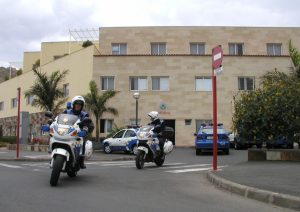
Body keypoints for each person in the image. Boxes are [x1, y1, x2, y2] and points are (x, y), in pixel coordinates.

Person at [64, 96, 90, 169]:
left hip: (78, 133)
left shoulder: (84, 114)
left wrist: (85, 129)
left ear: (82, 106)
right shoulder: (67, 112)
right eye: (77, 104)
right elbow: (60, 118)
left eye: (80, 104)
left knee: (83, 140)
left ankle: (81, 160)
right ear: (73, 104)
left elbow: (86, 124)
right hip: (67, 131)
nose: (78, 106)